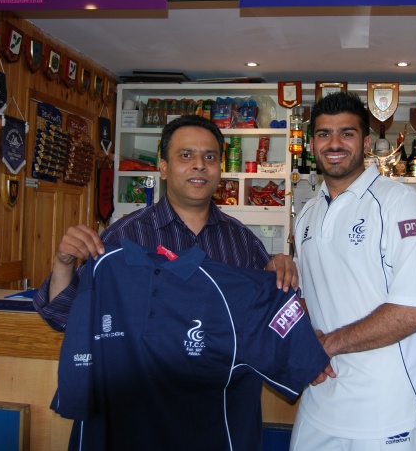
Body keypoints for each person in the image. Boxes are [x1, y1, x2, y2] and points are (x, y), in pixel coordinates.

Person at [33, 114, 307, 448]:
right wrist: (63, 262)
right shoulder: (122, 237)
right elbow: (63, 317)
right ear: (163, 168)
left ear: (220, 169)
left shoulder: (242, 241)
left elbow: (268, 323)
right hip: (138, 423)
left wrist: (279, 274)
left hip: (218, 421)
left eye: (210, 156)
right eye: (186, 155)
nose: (199, 165)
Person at [290, 92, 416, 450]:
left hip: (388, 409)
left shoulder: (400, 203)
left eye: (347, 133)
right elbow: (309, 297)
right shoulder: (308, 212)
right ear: (312, 144)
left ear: (367, 143)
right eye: (324, 134)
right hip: (320, 399)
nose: (334, 144)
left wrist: (327, 344)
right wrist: (307, 342)